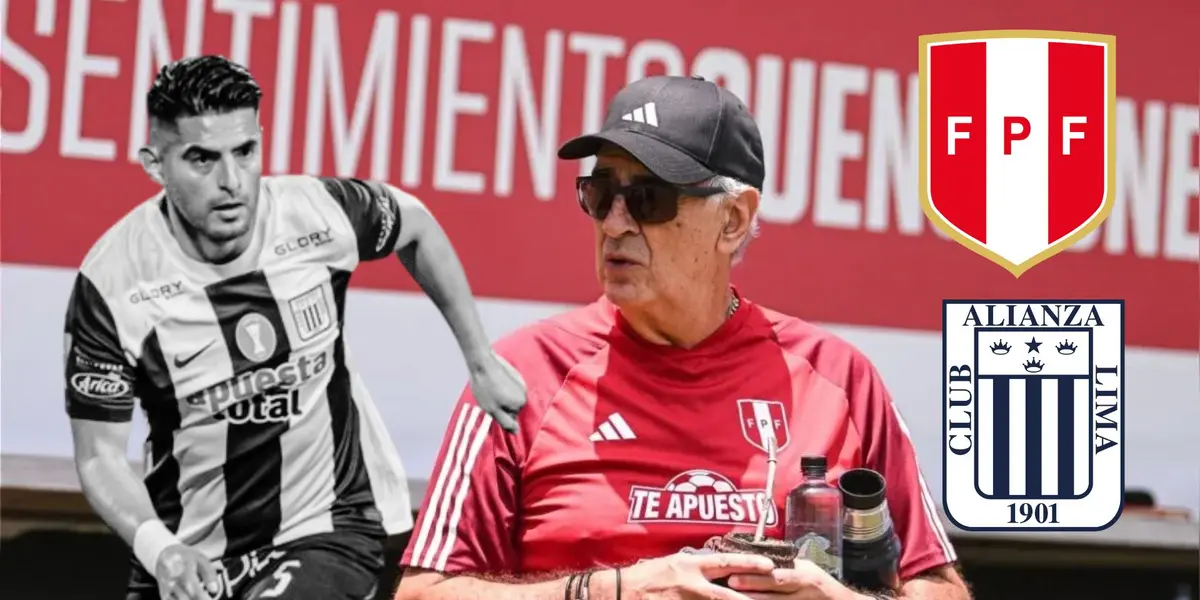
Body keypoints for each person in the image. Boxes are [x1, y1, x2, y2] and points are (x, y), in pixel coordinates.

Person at [392, 75, 972, 600]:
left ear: (733, 220)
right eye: (600, 194)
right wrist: (616, 590)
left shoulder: (841, 379)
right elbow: (421, 596)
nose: (615, 221)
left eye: (648, 197)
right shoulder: (520, 375)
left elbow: (939, 590)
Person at [63, 55, 526, 600]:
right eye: (201, 159)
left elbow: (416, 225)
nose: (231, 181)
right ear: (154, 164)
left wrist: (478, 358)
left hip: (331, 526)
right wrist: (159, 548)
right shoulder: (112, 283)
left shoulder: (317, 213)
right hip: (188, 556)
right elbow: (99, 456)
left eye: (245, 152)